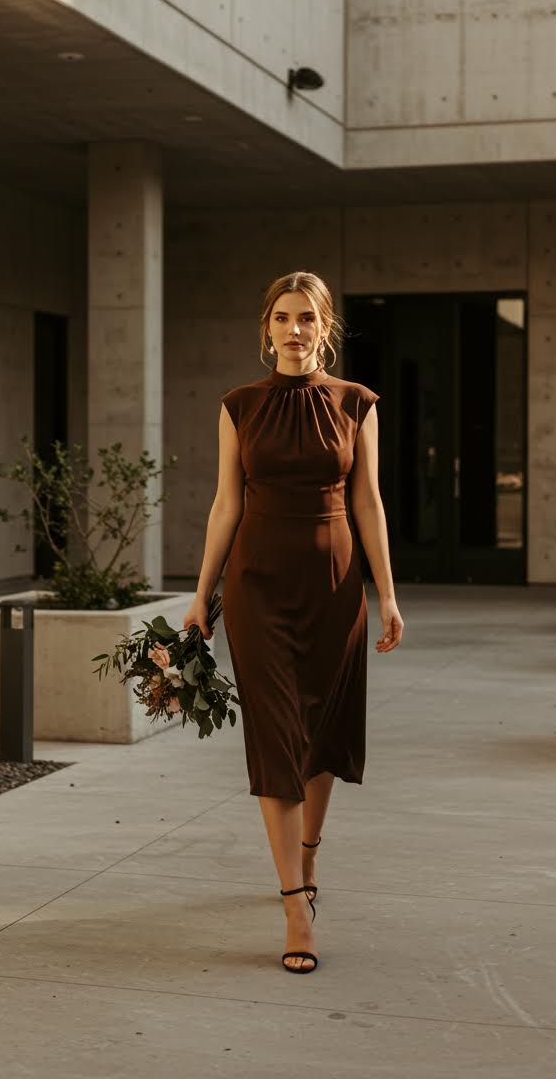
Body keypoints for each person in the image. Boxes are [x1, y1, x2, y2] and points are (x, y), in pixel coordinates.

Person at [183, 271, 403, 974]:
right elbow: (226, 505)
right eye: (282, 317)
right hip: (257, 589)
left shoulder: (355, 403)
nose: (294, 329)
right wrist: (199, 594)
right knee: (277, 737)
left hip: (335, 587)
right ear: (267, 327)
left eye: (307, 317)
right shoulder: (238, 407)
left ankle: (307, 856)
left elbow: (368, 503)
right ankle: (293, 905)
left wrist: (388, 596)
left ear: (326, 326)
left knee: (323, 735)